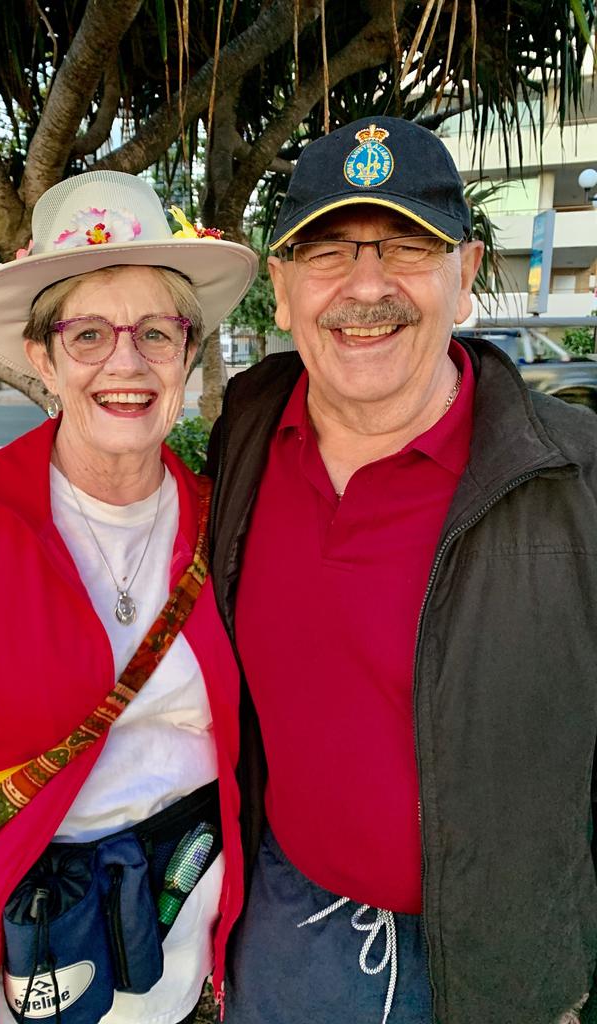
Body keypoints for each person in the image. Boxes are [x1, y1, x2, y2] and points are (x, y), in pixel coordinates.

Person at [0, 171, 257, 1024]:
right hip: (26, 962)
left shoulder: (225, 517)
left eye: (156, 333)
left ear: (189, 348)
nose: (127, 363)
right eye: (89, 334)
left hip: (183, 942)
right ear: (42, 355)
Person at [206, 116, 597, 1024]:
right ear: (283, 288)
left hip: (498, 965)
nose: (367, 286)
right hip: (283, 919)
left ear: (465, 274)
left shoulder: (577, 483)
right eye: (328, 251)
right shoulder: (247, 437)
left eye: (408, 246)